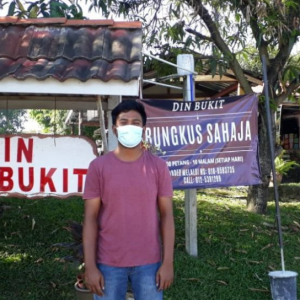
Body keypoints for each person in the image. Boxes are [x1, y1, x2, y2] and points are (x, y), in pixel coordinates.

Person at [83, 100, 175, 300]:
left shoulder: (158, 167)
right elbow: (90, 218)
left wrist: (168, 263)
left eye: (135, 122)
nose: (129, 127)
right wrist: (90, 266)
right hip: (108, 262)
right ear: (115, 129)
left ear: (143, 128)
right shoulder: (98, 167)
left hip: (149, 263)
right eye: (123, 122)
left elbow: (167, 215)